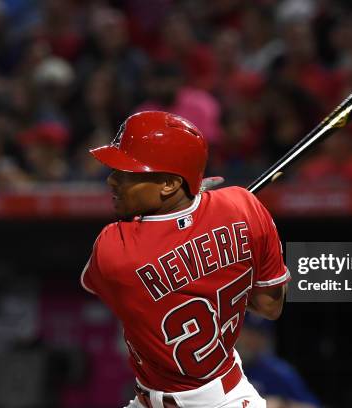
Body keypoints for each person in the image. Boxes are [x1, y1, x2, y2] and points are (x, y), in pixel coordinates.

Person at [81, 110, 290, 408]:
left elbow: (101, 277)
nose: (112, 181)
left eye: (128, 173)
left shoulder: (114, 249)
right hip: (223, 396)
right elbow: (271, 306)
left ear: (169, 185)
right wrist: (205, 211)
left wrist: (194, 211)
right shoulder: (244, 205)